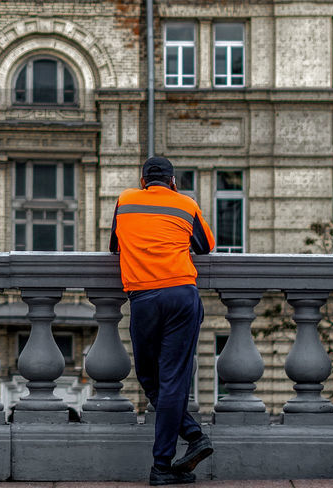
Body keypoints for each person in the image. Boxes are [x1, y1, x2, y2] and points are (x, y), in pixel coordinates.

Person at [110, 156, 215, 486]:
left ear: (142, 181)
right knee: (171, 378)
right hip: (181, 295)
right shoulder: (186, 204)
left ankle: (165, 463)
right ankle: (189, 439)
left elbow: (115, 246)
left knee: (147, 376)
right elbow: (207, 247)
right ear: (173, 182)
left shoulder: (125, 201)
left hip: (144, 298)